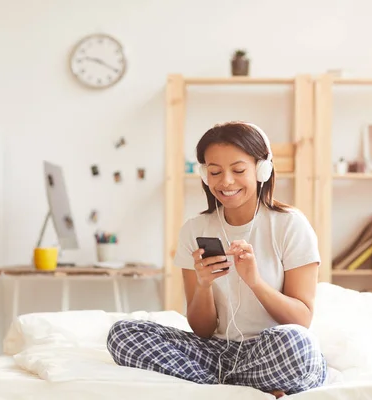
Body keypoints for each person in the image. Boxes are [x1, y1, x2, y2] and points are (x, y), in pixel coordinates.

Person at [107, 121, 327, 397]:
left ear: (262, 169)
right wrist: (203, 285)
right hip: (216, 353)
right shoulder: (194, 229)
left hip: (270, 347)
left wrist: (255, 282)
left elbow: (301, 319)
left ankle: (222, 383)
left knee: (297, 345)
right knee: (124, 333)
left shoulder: (290, 225)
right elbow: (201, 329)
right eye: (214, 172)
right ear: (203, 174)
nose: (226, 182)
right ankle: (232, 387)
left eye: (238, 170)